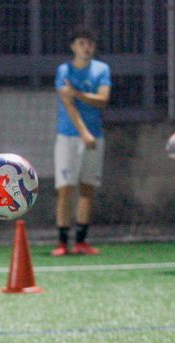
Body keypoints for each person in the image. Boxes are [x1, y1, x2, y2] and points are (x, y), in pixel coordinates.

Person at [51, 26, 111, 256]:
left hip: (95, 136)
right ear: (73, 46)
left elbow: (102, 99)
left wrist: (78, 93)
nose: (86, 47)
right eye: (81, 43)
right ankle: (62, 241)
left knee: (88, 188)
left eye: (90, 43)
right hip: (68, 135)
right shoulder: (64, 70)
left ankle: (81, 241)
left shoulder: (101, 69)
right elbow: (68, 104)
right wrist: (84, 132)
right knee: (65, 189)